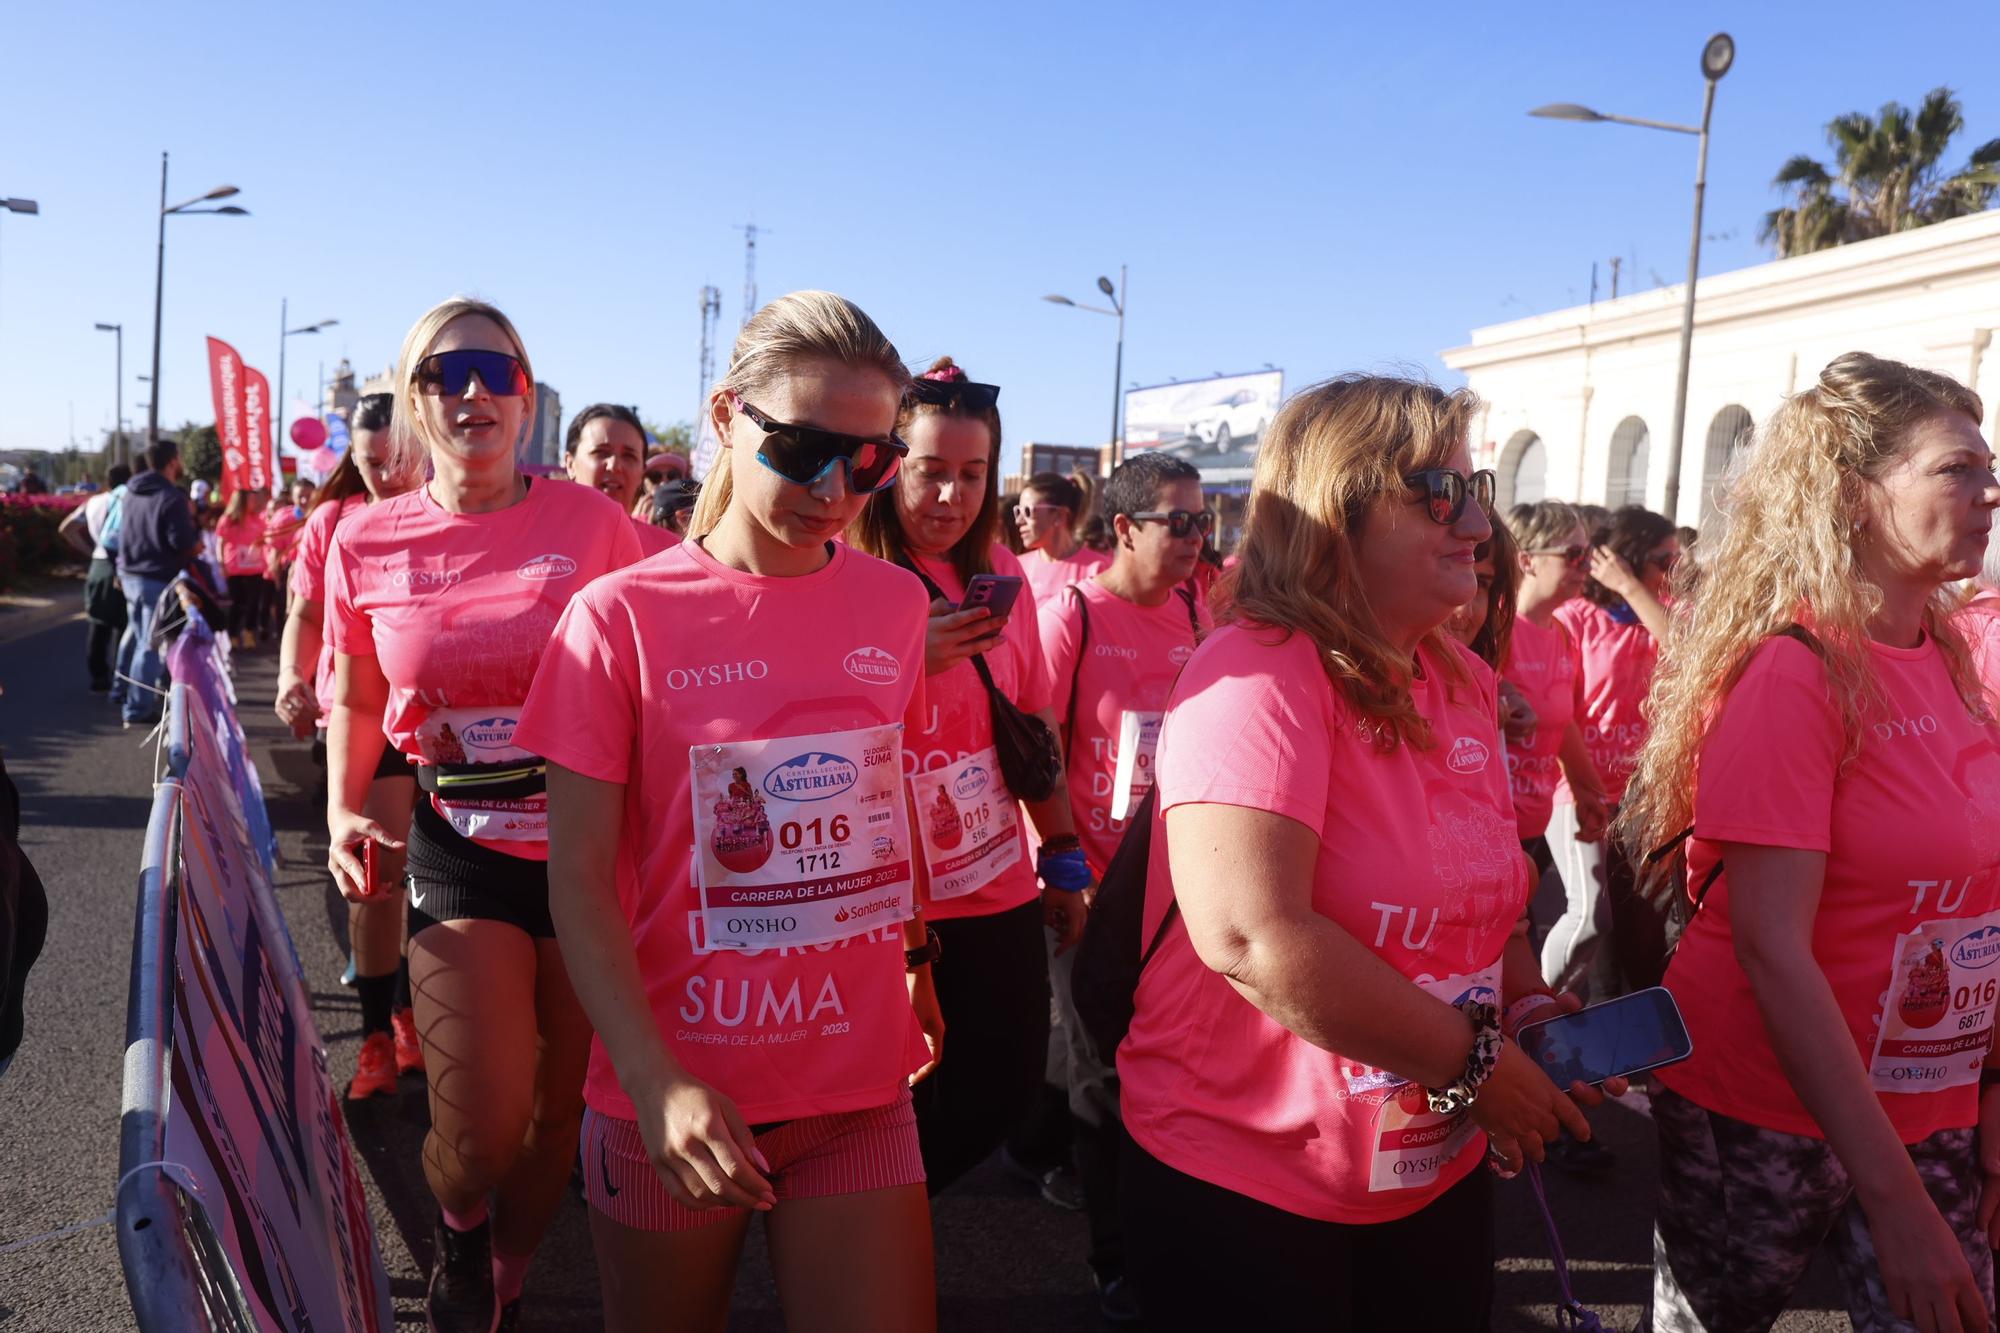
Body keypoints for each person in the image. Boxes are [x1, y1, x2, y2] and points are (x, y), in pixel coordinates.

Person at [1115, 374, 1617, 1329]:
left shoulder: (1462, 677)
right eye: (1443, 491)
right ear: (1336, 510)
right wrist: (1476, 1065)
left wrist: (1530, 1003)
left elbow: (1489, 903)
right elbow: (1251, 938)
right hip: (1249, 1178)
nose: (1479, 523)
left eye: (1481, 491)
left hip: (1428, 1162)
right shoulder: (1256, 668)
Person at [518, 290, 941, 1333]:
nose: (835, 487)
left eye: (870, 459)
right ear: (724, 418)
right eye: (800, 448)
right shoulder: (617, 617)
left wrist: (918, 963)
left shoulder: (896, 606)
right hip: (676, 1090)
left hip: (856, 1081)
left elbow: (882, 807)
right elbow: (575, 875)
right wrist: (656, 1081)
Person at [1621, 352, 2000, 1332]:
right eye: (1954, 468)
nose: (1987, 490)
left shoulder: (1950, 660)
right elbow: (1769, 948)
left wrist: (1986, 1092)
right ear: (1851, 494)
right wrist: (1890, 1195)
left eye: (1986, 466)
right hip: (1759, 1103)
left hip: (1930, 1099)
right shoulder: (1795, 674)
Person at [323, 298, 641, 1331]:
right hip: (460, 842)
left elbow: (659, 672)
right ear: (414, 400)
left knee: (559, 1120)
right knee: (484, 1122)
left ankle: (501, 1272)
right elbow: (360, 695)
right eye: (446, 374)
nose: (473, 393)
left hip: (590, 853)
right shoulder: (366, 539)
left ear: (526, 394)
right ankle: (460, 1215)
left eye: (495, 373)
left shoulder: (595, 526)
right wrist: (339, 809)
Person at [848, 357, 1093, 1194]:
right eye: (930, 472)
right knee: (887, 1093)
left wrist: (1062, 853)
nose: (951, 496)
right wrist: (901, 661)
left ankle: (873, 1220)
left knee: (1005, 1084)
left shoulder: (1001, 571)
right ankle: (859, 1243)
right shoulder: (843, 567)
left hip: (991, 878)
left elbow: (1029, 721)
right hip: (881, 893)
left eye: (971, 474)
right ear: (888, 466)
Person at [1034, 450, 1209, 1319]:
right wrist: (1066, 867)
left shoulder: (1193, 606)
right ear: (1126, 527)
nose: (1194, 539)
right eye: (1178, 522)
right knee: (1101, 1069)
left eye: (1203, 521)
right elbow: (1037, 751)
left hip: (1175, 880)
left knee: (1161, 1054)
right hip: (1092, 880)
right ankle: (1115, 1255)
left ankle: (1049, 1152)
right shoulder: (1071, 613)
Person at [278, 393, 425, 1096]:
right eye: (372, 463)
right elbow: (303, 614)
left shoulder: (452, 512)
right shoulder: (334, 522)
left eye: (399, 459)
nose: (388, 476)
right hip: (366, 716)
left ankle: (412, 1011)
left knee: (441, 888)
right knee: (378, 876)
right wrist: (290, 676)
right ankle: (378, 1033)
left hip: (452, 729)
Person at [1544, 503, 1678, 998]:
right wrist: (1581, 786)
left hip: (1643, 796)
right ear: (1629, 557)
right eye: (1665, 561)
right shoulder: (1576, 617)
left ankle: (1621, 1041)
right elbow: (1562, 709)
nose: (1674, 572)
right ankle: (1539, 1009)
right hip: (1579, 786)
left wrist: (1635, 590)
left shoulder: (1660, 613)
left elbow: (1688, 652)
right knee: (1590, 914)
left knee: (1639, 927)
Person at [114, 439, 199, 729]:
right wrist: (194, 545)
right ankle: (137, 706)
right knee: (148, 646)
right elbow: (181, 542)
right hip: (155, 577)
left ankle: (123, 691)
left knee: (138, 638)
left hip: (130, 574)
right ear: (173, 461)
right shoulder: (171, 496)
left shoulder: (130, 492)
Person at [58, 462, 132, 693]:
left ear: (107, 481)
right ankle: (122, 677)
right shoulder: (129, 501)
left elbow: (66, 528)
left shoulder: (93, 502)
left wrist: (89, 550)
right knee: (125, 626)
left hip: (98, 565)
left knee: (99, 624)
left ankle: (98, 677)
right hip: (122, 564)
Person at [565, 402, 676, 555]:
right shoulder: (538, 540)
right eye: (601, 452)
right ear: (570, 464)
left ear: (642, 472)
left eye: (628, 456)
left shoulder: (669, 553)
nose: (615, 466)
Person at [1016, 472, 1111, 606]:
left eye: (1027, 512)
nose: (1019, 521)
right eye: (1018, 511)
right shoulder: (1018, 567)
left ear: (1060, 515)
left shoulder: (1098, 569)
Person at [215, 488, 269, 650]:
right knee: (238, 603)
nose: (255, 503)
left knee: (253, 603)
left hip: (255, 569)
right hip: (235, 570)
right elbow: (220, 543)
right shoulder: (228, 520)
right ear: (242, 502)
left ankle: (248, 632)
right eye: (251, 500)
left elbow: (264, 539)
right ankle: (231, 634)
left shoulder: (258, 519)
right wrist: (221, 564)